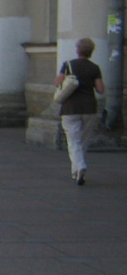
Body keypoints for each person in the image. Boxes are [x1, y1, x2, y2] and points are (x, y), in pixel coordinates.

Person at [55, 38, 105, 186]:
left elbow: (57, 83)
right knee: (83, 140)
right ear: (91, 52)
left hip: (70, 107)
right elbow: (100, 90)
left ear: (78, 50)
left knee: (73, 141)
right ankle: (76, 171)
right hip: (89, 107)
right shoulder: (94, 68)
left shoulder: (68, 65)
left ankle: (80, 167)